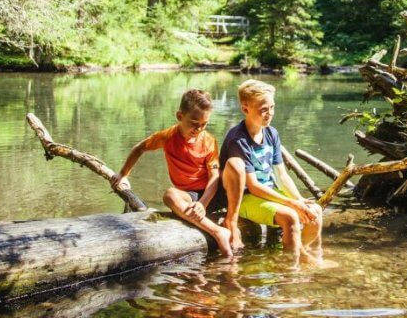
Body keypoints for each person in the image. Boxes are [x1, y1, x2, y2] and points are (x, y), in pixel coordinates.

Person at [112, 88, 233, 257]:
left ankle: (222, 229)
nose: (199, 129)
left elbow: (214, 177)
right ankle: (218, 231)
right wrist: (123, 174)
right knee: (170, 195)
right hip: (189, 195)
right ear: (180, 116)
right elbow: (139, 148)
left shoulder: (208, 141)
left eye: (204, 124)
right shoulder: (167, 137)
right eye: (194, 123)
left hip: (211, 192)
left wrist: (202, 204)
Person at [219, 79, 323, 264]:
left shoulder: (271, 133)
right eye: (264, 109)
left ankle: (306, 254)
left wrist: (299, 200)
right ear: (245, 109)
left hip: (268, 192)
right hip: (245, 196)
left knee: (314, 210)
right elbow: (254, 186)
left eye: (272, 107)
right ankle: (291, 268)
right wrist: (292, 204)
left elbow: (282, 175)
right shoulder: (238, 139)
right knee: (291, 216)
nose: (270, 114)